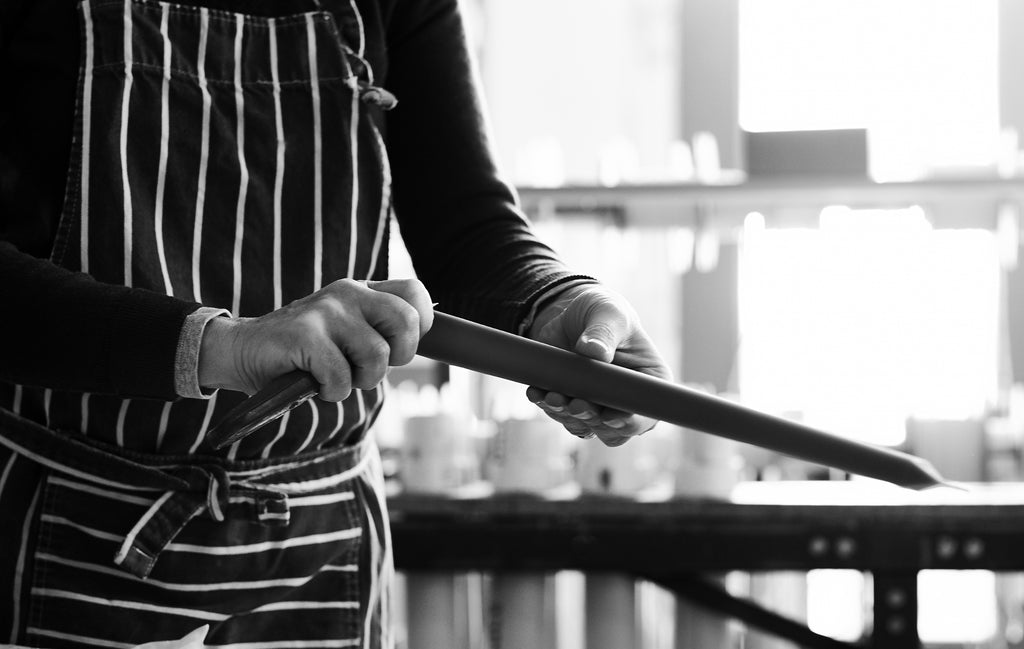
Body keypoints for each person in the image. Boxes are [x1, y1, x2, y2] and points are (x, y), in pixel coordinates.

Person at [0, 0, 671, 646]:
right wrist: (222, 344)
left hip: (322, 546)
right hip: (80, 537)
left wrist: (557, 301)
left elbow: (468, 224)